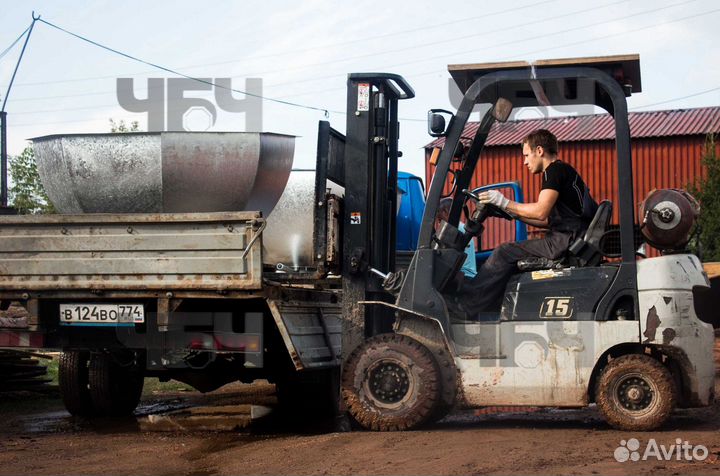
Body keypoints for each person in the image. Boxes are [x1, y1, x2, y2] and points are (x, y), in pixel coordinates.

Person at [458, 129, 597, 316]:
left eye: (526, 155)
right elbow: (549, 220)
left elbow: (540, 212)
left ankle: (465, 308)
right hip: (568, 238)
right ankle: (487, 306)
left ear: (539, 151)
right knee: (506, 252)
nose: (524, 162)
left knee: (503, 252)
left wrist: (504, 202)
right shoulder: (564, 171)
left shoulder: (554, 171)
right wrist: (511, 212)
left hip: (563, 242)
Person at [435, 197, 477, 278]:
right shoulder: (461, 226)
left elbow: (442, 255)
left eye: (440, 219)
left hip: (464, 274)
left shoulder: (454, 229)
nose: (437, 218)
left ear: (447, 212)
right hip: (465, 273)